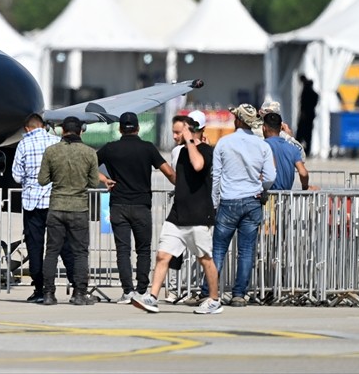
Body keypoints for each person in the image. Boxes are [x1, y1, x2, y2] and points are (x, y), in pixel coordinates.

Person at [133, 116, 224, 315]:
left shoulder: (207, 150)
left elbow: (199, 165)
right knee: (162, 255)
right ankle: (153, 296)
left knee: (205, 258)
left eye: (178, 132)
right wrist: (186, 144)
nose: (175, 136)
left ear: (190, 131)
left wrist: (190, 141)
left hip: (199, 215)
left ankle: (215, 299)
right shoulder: (180, 151)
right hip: (177, 215)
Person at [97, 111, 175, 304]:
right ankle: (141, 291)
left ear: (120, 128)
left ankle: (127, 291)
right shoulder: (147, 148)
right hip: (141, 205)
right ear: (138, 128)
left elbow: (88, 166)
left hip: (118, 205)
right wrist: (183, 187)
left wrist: (104, 179)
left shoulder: (110, 148)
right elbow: (168, 172)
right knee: (143, 249)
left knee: (122, 250)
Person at [210, 103, 276, 307]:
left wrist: (214, 202)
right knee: (246, 251)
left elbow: (216, 176)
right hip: (252, 200)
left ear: (237, 120)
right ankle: (239, 294)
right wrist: (260, 187)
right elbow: (271, 176)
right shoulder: (262, 145)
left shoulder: (223, 143)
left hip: (229, 200)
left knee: (219, 249)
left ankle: (209, 291)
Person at [11, 112, 78, 303]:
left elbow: (16, 175)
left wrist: (29, 180)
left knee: (35, 246)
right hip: (56, 201)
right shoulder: (57, 141)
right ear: (43, 125)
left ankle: (41, 289)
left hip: (32, 203)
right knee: (63, 245)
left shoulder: (23, 144)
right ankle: (76, 285)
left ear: (27, 128)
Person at [37, 115, 100, 306]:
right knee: (80, 253)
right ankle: (79, 293)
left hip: (56, 207)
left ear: (63, 131)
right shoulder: (89, 153)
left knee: (52, 252)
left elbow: (42, 180)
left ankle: (48, 293)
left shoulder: (51, 152)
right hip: (79, 208)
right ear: (81, 131)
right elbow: (94, 182)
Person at [263, 113, 312, 191]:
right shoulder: (292, 148)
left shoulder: (262, 146)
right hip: (286, 198)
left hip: (267, 198)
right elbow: (303, 173)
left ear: (264, 128)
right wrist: (305, 187)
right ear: (280, 128)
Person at [297, 76, 318, 152]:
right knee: (308, 134)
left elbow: (304, 104)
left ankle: (299, 148)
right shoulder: (313, 94)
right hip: (310, 115)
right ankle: (307, 149)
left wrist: (303, 113)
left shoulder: (307, 92)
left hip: (306, 116)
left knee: (302, 133)